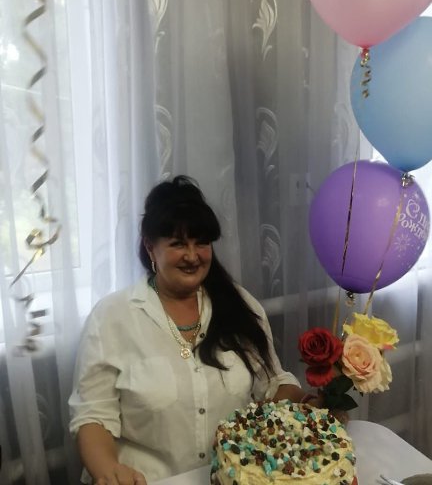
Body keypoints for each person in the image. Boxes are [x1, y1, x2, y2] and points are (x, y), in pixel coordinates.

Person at [69, 175, 318, 485]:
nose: (192, 256)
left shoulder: (240, 305)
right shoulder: (112, 317)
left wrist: (310, 405)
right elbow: (93, 416)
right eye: (177, 244)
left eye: (201, 242)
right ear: (150, 247)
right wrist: (108, 469)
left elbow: (272, 385)